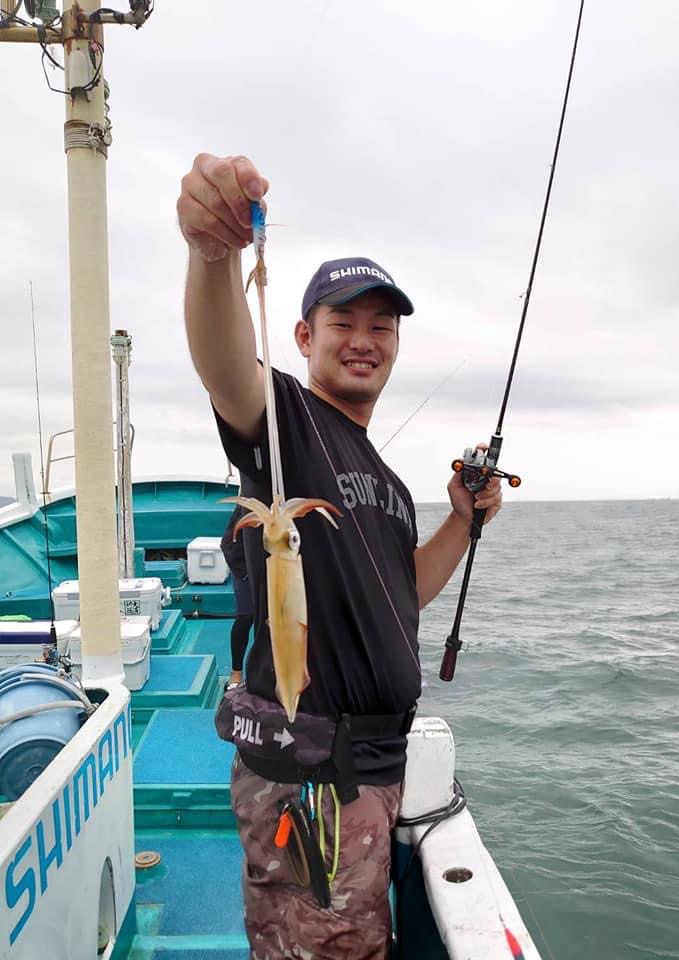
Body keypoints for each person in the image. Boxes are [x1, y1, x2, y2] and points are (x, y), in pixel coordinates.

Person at [178, 153, 502, 960]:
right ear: (302, 336)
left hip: (371, 771)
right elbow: (225, 364)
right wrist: (213, 255)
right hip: (311, 775)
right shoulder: (285, 422)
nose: (363, 341)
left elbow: (405, 597)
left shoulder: (387, 483)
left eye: (381, 327)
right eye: (342, 323)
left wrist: (460, 520)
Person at [220, 504, 253, 688]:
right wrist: (244, 573)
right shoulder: (244, 507)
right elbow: (227, 544)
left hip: (273, 569)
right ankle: (236, 673)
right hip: (245, 570)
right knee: (245, 618)